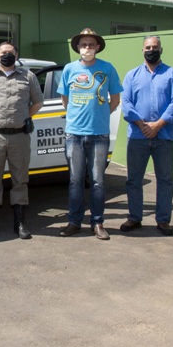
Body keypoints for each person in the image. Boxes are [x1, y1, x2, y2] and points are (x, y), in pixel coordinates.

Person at [0, 42, 43, 239]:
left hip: (19, 136)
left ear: (17, 55)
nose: (6, 56)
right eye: (3, 53)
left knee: (20, 180)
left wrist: (24, 116)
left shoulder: (28, 77)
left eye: (10, 53)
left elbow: (38, 101)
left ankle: (20, 223)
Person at [56, 28, 122, 240]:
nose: (87, 48)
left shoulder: (107, 68)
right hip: (74, 134)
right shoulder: (69, 69)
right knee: (75, 180)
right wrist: (76, 116)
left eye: (91, 45)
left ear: (98, 47)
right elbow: (65, 99)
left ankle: (97, 223)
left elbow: (115, 99)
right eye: (83, 44)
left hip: (99, 134)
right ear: (77, 47)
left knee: (97, 181)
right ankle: (74, 222)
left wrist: (101, 115)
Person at [120, 35, 173, 235]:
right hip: (137, 137)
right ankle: (134, 217)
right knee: (133, 180)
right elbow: (127, 103)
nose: (151, 50)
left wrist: (157, 125)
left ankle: (163, 220)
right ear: (142, 50)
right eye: (148, 47)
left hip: (163, 136)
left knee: (165, 180)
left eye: (155, 47)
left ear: (161, 50)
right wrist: (142, 124)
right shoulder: (132, 75)